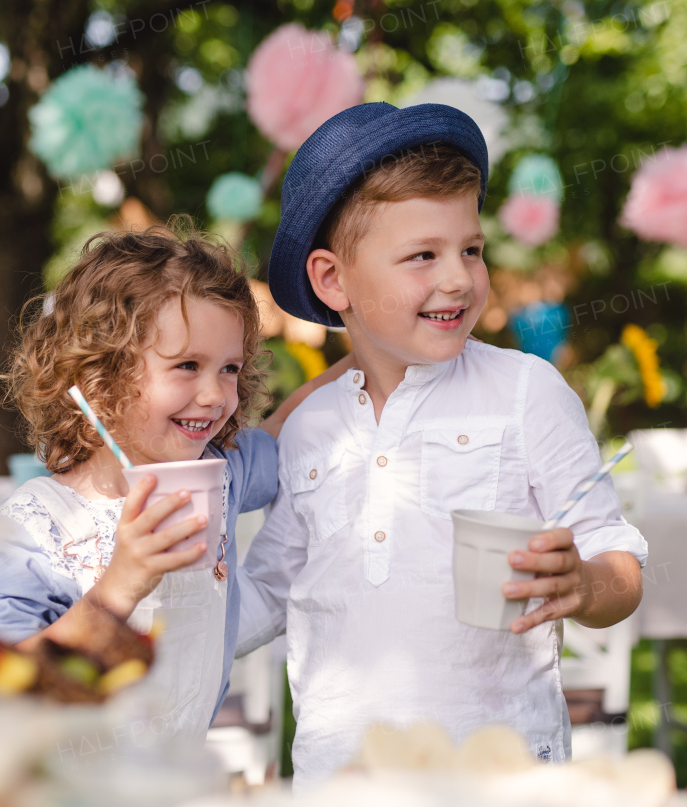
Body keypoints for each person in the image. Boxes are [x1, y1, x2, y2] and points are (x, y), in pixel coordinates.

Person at [235, 103, 650, 788]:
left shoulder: (525, 392)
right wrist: (168, 596)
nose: (458, 277)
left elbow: (620, 558)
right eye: (423, 255)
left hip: (500, 776)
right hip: (344, 781)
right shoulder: (312, 426)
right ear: (333, 280)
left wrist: (583, 581)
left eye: (471, 249)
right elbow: (268, 593)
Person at [0, 220, 348, 742]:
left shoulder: (220, 473)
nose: (215, 395)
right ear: (102, 377)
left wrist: (369, 358)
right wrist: (119, 584)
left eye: (230, 368)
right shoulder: (31, 530)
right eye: (188, 365)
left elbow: (283, 431)